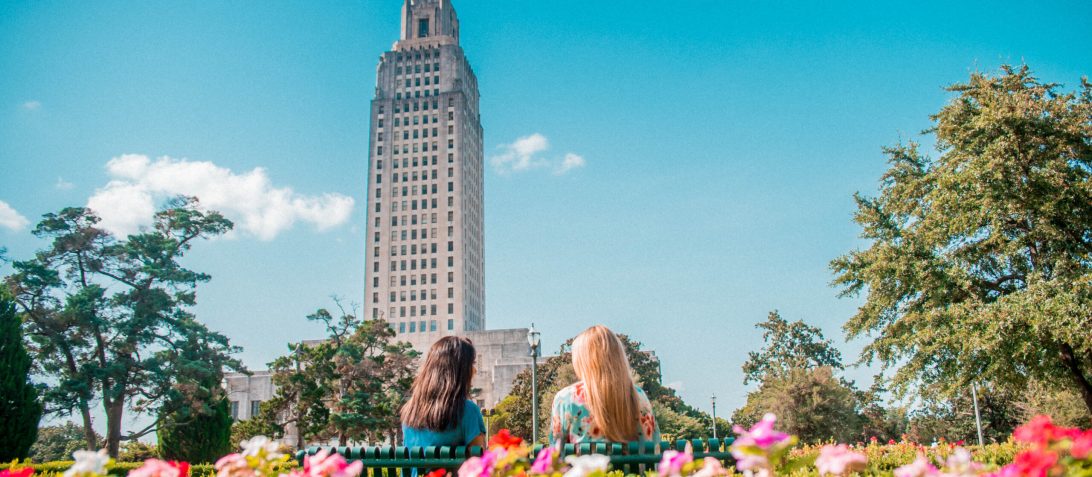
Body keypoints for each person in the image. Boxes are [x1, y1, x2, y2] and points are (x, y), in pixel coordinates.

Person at [549, 325, 661, 445]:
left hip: (583, 464)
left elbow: (556, 452)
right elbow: (653, 446)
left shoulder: (565, 398)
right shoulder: (639, 396)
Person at [401, 336, 486, 448]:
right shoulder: (467, 411)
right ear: (459, 370)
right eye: (471, 364)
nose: (474, 370)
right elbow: (480, 461)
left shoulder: (409, 411)